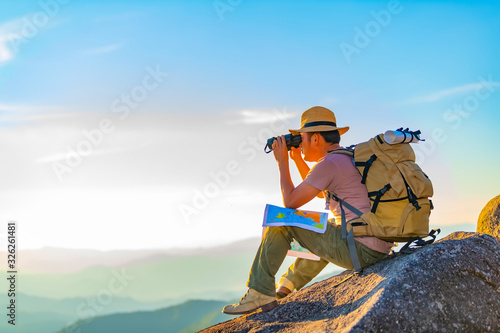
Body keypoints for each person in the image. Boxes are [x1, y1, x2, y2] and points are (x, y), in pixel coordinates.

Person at [222, 106, 394, 315]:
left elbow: (291, 202)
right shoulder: (345, 157)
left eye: (302, 138)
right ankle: (287, 285)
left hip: (360, 252)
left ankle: (259, 291)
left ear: (315, 139)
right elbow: (321, 192)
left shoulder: (329, 163)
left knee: (281, 221)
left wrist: (282, 162)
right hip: (376, 246)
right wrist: (297, 159)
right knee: (321, 226)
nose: (300, 143)